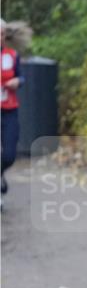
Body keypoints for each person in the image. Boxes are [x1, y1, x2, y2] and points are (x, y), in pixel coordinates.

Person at [1, 19, 24, 202]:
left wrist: (17, 82)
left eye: (1, 34)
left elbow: (21, 77)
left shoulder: (12, 55)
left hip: (9, 110)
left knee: (9, 155)